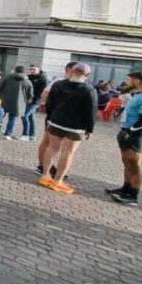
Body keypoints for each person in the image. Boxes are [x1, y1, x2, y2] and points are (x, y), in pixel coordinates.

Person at [39, 63, 97, 194]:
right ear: (87, 75)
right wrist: (90, 128)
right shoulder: (89, 90)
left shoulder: (58, 84)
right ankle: (58, 181)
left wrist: (50, 117)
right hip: (75, 127)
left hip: (56, 121)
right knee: (68, 153)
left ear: (73, 71)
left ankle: (45, 175)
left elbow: (50, 102)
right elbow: (91, 111)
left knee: (52, 149)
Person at [106, 71, 142, 206]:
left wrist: (131, 132)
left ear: (137, 81)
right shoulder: (136, 95)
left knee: (134, 165)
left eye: (129, 79)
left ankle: (133, 196)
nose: (126, 82)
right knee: (127, 163)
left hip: (136, 135)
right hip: (126, 132)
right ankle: (125, 189)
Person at [36, 61, 77, 176]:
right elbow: (44, 95)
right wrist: (56, 107)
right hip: (54, 117)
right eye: (75, 71)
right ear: (68, 71)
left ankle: (50, 166)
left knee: (60, 145)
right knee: (47, 142)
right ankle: (41, 166)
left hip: (68, 119)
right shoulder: (58, 82)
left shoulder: (77, 84)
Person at [0, 66, 33, 139]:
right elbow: (30, 94)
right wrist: (26, 101)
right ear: (24, 72)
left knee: (0, 116)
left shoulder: (7, 78)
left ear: (15, 70)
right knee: (12, 118)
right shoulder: (27, 81)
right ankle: (8, 134)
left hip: (3, 100)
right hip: (18, 103)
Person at [23, 65, 49, 141]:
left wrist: (36, 99)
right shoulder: (29, 77)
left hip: (35, 101)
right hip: (28, 100)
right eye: (31, 69)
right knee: (31, 117)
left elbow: (43, 91)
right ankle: (32, 135)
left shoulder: (43, 78)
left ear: (39, 69)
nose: (32, 70)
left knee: (25, 115)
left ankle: (25, 134)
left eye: (34, 69)